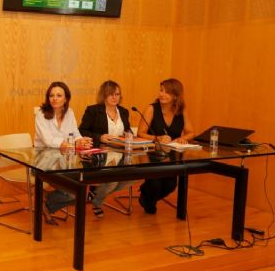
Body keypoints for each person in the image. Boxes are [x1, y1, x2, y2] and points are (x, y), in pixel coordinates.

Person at [136, 78, 195, 214]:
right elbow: (140, 133)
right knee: (155, 184)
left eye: (166, 92)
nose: (161, 94)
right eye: (161, 90)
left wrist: (182, 138)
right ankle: (148, 202)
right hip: (151, 155)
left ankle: (146, 196)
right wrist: (157, 138)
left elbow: (191, 132)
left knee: (171, 185)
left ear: (175, 96)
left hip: (172, 155)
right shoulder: (151, 109)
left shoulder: (181, 111)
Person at [35, 81, 92, 220]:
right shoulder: (41, 114)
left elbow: (75, 133)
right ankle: (47, 202)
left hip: (64, 160)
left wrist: (81, 140)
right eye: (51, 95)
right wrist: (69, 145)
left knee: (82, 191)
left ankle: (46, 202)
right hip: (43, 162)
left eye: (59, 95)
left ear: (66, 98)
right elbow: (48, 141)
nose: (54, 98)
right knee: (74, 192)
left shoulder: (70, 113)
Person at [78, 80, 136, 218]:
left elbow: (128, 130)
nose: (114, 97)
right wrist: (100, 137)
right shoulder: (93, 110)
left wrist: (128, 135)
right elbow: (81, 130)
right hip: (99, 155)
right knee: (112, 181)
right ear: (104, 96)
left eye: (117, 94)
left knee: (133, 177)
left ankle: (96, 193)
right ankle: (97, 201)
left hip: (120, 154)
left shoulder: (123, 111)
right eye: (111, 94)